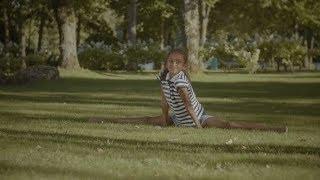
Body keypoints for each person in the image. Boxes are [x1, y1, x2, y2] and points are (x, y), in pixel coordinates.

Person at [89, 49, 287, 133]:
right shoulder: (164, 77)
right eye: (170, 61)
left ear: (183, 66)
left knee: (228, 124)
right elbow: (164, 101)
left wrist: (198, 127)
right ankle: (101, 119)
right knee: (147, 119)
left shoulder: (181, 80)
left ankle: (273, 128)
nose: (173, 64)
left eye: (177, 62)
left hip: (198, 117)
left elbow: (189, 104)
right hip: (177, 118)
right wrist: (165, 119)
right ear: (166, 63)